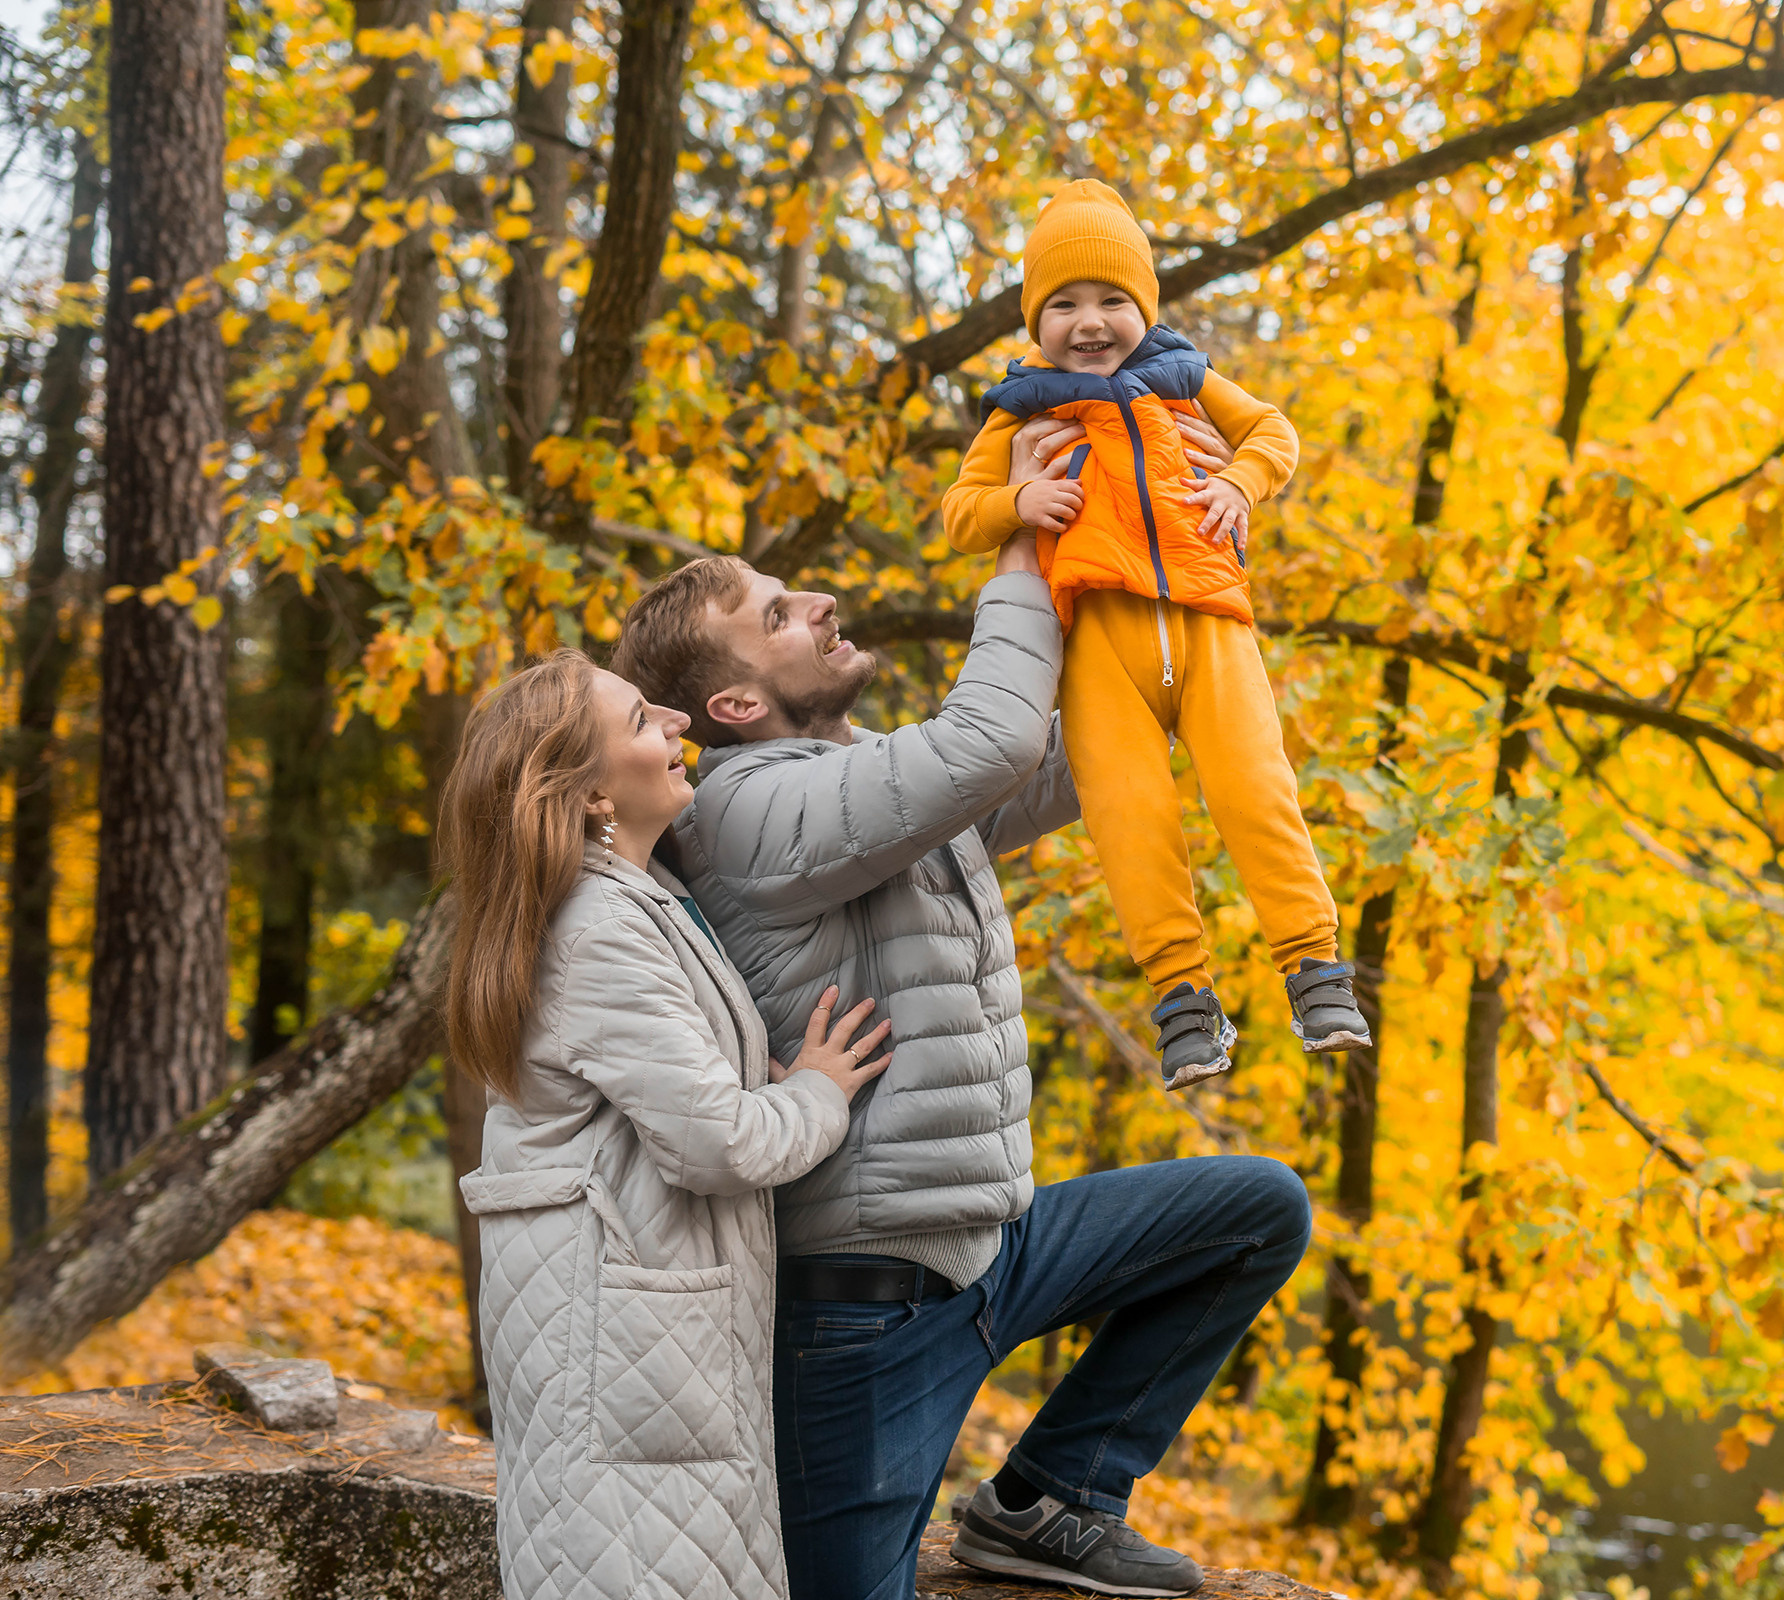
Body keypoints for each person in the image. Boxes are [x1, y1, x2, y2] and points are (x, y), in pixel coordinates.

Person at [610, 521, 1313, 1600]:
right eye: (778, 614)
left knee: (1256, 1211)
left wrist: (1160, 616)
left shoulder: (864, 781)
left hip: (996, 1249)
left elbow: (1075, 756)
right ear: (737, 705)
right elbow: (992, 744)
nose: (819, 604)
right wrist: (1019, 563)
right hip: (862, 1313)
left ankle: (1050, 1497)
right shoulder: (748, 811)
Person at [442, 651, 893, 1600]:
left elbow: (670, 1102)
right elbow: (717, 1143)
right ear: (591, 794)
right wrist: (816, 1092)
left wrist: (749, 1083)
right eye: (644, 721)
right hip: (630, 1378)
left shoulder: (633, 903)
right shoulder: (598, 926)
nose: (681, 723)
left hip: (637, 1367)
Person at [939, 178, 1373, 1091]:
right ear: (1034, 319)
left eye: (1112, 300)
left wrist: (1239, 483)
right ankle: (1182, 999)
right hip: (1099, 645)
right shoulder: (1022, 407)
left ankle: (1315, 969)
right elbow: (961, 512)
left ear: (1146, 306)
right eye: (1064, 304)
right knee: (1129, 818)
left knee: (1256, 789)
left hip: (1211, 624)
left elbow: (1274, 433)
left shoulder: (1184, 375)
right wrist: (1020, 499)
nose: (1090, 322)